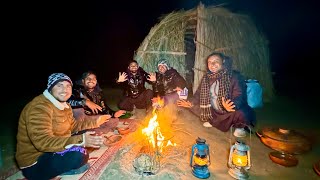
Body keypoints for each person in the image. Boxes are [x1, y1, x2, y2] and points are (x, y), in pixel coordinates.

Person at [16, 73, 109, 180]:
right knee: (79, 155)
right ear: (50, 88)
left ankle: (64, 166)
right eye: (59, 85)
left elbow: (73, 126)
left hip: (54, 148)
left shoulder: (65, 105)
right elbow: (43, 142)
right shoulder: (39, 108)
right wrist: (81, 140)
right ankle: (52, 171)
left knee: (91, 134)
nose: (64, 89)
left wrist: (95, 122)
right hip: (36, 161)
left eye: (68, 86)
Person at [177, 52, 256, 136]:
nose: (212, 64)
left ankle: (240, 127)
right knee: (194, 106)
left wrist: (232, 105)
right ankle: (213, 121)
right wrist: (190, 102)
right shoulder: (206, 78)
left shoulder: (234, 76)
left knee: (241, 112)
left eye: (216, 61)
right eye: (209, 62)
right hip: (215, 111)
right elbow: (198, 94)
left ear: (223, 61)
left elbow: (239, 95)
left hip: (230, 110)